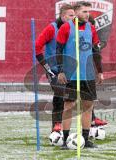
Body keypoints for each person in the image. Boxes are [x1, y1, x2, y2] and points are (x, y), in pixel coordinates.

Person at [56, 1, 104, 148]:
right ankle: (65, 140)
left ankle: (85, 138)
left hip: (88, 74)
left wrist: (100, 71)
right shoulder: (65, 28)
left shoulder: (91, 28)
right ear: (76, 12)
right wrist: (61, 71)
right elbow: (58, 50)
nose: (87, 14)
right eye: (84, 11)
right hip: (71, 74)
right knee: (68, 106)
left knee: (88, 106)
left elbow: (96, 51)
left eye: (88, 11)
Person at [35, 4, 75, 132]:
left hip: (71, 70)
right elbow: (37, 47)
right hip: (55, 71)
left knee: (83, 93)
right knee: (60, 93)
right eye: (71, 15)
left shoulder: (74, 29)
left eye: (74, 15)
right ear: (63, 16)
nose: (74, 17)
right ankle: (57, 125)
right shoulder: (51, 28)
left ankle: (91, 122)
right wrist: (48, 69)